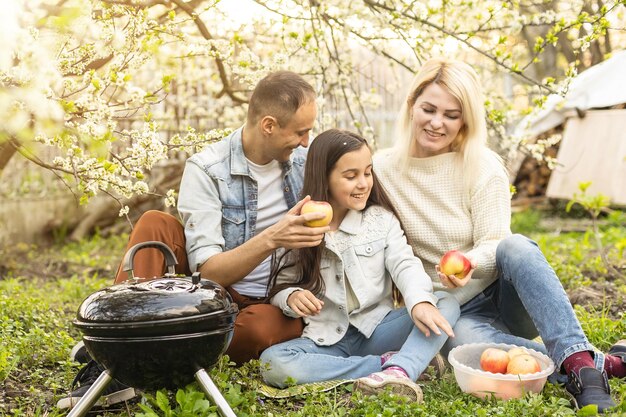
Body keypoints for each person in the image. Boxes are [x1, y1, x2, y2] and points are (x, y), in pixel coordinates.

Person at [57, 71, 331, 410]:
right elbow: (209, 272)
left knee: (261, 332)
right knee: (154, 223)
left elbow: (358, 178)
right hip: (211, 290)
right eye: (300, 131)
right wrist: (273, 237)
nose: (306, 141)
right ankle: (116, 354)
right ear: (269, 125)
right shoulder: (208, 168)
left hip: (270, 300)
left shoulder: (308, 163)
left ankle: (138, 348)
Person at [373, 57, 626, 412]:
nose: (436, 122)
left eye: (451, 114)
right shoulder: (381, 169)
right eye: (428, 109)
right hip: (451, 311)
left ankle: (581, 366)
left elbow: (494, 243)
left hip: (502, 294)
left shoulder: (482, 165)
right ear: (411, 105)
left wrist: (468, 262)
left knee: (515, 245)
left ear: (465, 121)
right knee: (472, 351)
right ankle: (594, 364)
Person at [259, 129, 460, 402]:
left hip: (378, 329)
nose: (364, 183)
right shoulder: (298, 227)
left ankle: (401, 368)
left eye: (368, 172)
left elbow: (405, 265)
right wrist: (291, 296)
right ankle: (388, 367)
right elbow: (281, 285)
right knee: (273, 363)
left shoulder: (380, 220)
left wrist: (419, 302)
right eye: (351, 176)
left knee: (446, 302)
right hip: (327, 340)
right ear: (324, 177)